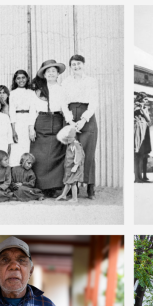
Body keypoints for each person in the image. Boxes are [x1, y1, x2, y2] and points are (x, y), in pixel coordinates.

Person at [61, 54, 98, 198]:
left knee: (88, 153)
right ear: (70, 67)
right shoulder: (66, 82)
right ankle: (71, 186)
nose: (76, 67)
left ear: (84, 64)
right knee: (71, 153)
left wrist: (83, 120)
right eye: (73, 64)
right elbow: (63, 103)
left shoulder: (91, 81)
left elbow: (94, 102)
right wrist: (70, 121)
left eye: (79, 64)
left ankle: (90, 187)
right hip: (71, 116)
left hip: (86, 116)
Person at [29, 60, 68, 196]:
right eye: (48, 71)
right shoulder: (38, 91)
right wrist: (31, 128)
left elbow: (65, 108)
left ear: (58, 74)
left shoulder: (62, 89)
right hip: (41, 121)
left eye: (53, 71)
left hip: (57, 121)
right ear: (44, 74)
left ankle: (55, 186)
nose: (51, 73)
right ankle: (41, 186)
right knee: (40, 155)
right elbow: (32, 110)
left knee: (56, 155)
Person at [8, 70, 37, 162]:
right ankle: (15, 169)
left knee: (27, 146)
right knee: (16, 146)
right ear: (15, 80)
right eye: (18, 78)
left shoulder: (31, 93)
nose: (21, 80)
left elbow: (33, 110)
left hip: (28, 120)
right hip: (17, 121)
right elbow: (11, 111)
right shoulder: (12, 93)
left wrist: (31, 128)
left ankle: (25, 168)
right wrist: (13, 130)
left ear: (27, 79)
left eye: (23, 78)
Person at [56, 125, 84, 202]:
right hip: (69, 167)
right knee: (68, 181)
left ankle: (75, 199)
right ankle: (64, 195)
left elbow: (79, 155)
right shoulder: (70, 145)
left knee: (73, 183)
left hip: (74, 167)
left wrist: (76, 165)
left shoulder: (76, 144)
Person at [133, 93, 152, 183]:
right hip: (137, 129)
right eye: (145, 99)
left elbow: (148, 119)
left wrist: (142, 109)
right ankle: (137, 177)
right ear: (140, 99)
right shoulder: (133, 107)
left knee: (142, 154)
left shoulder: (145, 108)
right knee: (137, 154)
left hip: (144, 129)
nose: (147, 101)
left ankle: (141, 177)